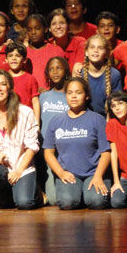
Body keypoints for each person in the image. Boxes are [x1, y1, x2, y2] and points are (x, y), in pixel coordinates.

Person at [43, 77, 111, 210]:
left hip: (93, 173)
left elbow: (106, 152)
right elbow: (48, 152)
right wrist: (61, 173)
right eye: (70, 92)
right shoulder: (56, 121)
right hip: (69, 174)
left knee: (96, 202)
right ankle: (78, 193)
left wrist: (98, 176)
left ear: (86, 96)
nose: (74, 96)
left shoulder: (97, 119)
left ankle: (86, 193)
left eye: (78, 92)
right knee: (68, 202)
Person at [0, 70, 40, 210]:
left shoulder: (25, 112)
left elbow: (32, 146)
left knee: (25, 203)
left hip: (22, 167)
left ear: (10, 88)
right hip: (1, 169)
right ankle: (5, 197)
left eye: (3, 84)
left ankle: (35, 191)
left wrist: (19, 171)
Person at [38, 56, 70, 205]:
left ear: (66, 71)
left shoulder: (71, 96)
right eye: (51, 69)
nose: (55, 72)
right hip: (47, 150)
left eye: (59, 68)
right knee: (53, 200)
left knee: (62, 199)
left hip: (65, 150)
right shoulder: (43, 96)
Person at [78, 34, 122, 117]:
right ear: (86, 52)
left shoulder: (114, 75)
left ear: (106, 53)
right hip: (85, 119)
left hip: (106, 119)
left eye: (100, 48)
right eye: (92, 47)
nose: (96, 50)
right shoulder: (80, 73)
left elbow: (118, 104)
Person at [24, 13, 65, 93]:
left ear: (45, 29)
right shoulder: (23, 53)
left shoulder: (56, 51)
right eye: (29, 29)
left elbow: (63, 77)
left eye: (37, 28)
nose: (33, 32)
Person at [6, 41, 40, 123]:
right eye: (10, 56)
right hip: (8, 119)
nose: (14, 58)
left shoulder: (30, 79)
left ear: (24, 60)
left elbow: (35, 102)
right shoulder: (3, 78)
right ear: (6, 60)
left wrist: (37, 123)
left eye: (18, 56)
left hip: (26, 120)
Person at [47, 8, 86, 73]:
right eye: (54, 24)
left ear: (68, 25)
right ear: (49, 29)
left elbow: (78, 71)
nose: (58, 27)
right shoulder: (46, 45)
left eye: (62, 23)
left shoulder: (80, 43)